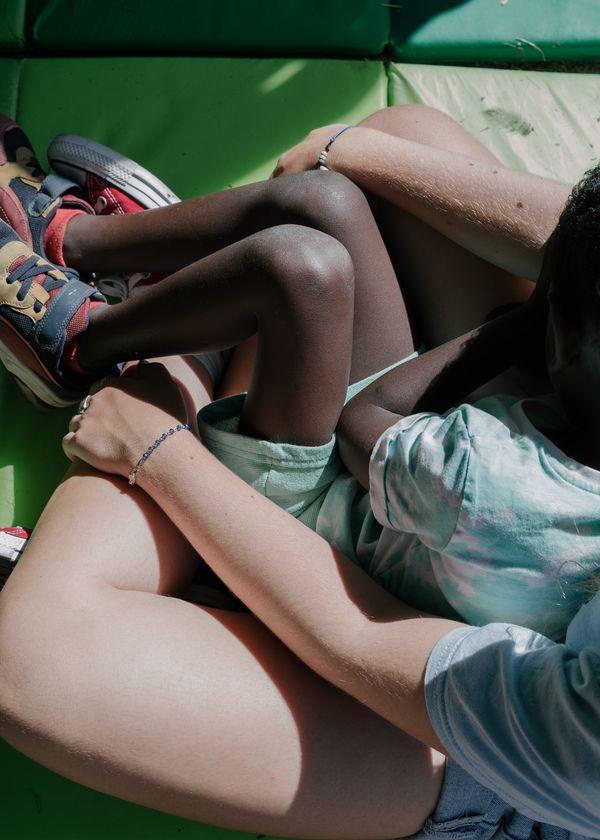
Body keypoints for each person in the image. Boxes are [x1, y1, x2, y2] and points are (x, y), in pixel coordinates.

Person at [0, 106, 598, 838]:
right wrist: (355, 152)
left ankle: (148, 338)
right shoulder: (490, 474)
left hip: (398, 611)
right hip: (450, 549)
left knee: (34, 656)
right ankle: (103, 266)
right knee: (359, 182)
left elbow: (362, 632)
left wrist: (158, 454)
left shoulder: (481, 471)